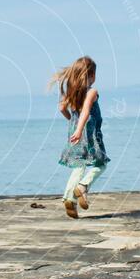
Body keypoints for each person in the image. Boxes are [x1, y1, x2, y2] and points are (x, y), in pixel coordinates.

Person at [49, 55, 110, 218]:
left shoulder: (71, 92)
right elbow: (86, 112)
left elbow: (62, 108)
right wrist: (80, 129)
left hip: (75, 135)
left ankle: (69, 198)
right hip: (90, 135)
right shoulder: (92, 92)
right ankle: (83, 187)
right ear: (92, 76)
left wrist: (72, 124)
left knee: (78, 166)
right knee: (101, 164)